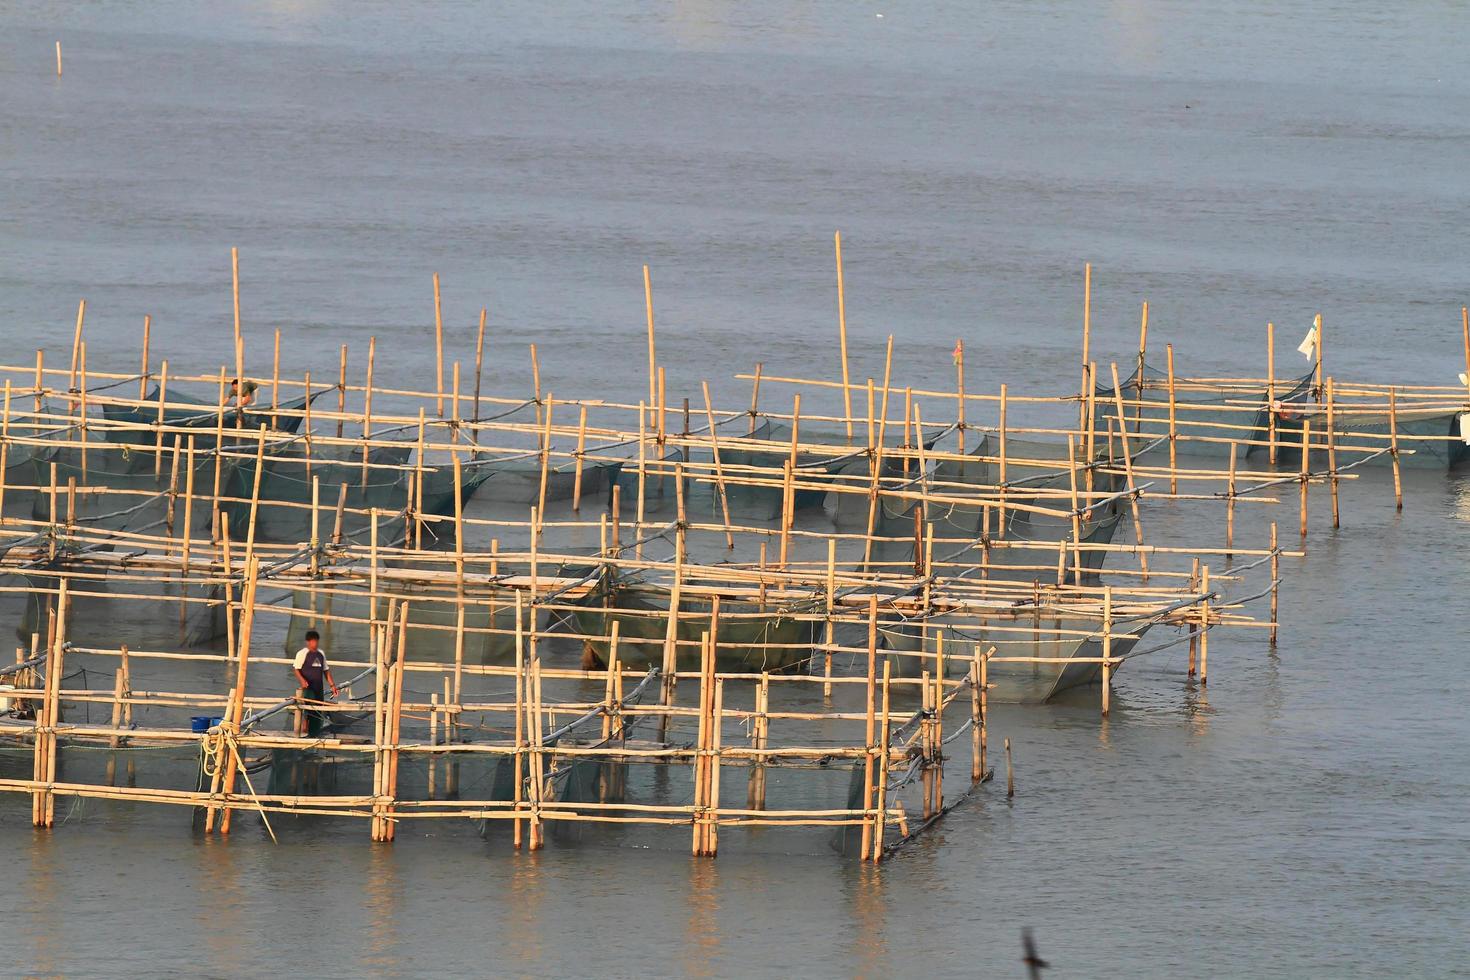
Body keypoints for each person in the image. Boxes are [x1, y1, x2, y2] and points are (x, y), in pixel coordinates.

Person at [292, 629, 339, 736]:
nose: (315, 643)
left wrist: (332, 685)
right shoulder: (302, 653)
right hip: (308, 687)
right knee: (309, 708)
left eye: (316, 641)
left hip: (319, 687)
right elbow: (296, 669)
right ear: (308, 642)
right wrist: (302, 680)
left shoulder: (321, 654)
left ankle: (314, 733)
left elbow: (326, 670)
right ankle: (305, 729)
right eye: (313, 641)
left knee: (318, 709)